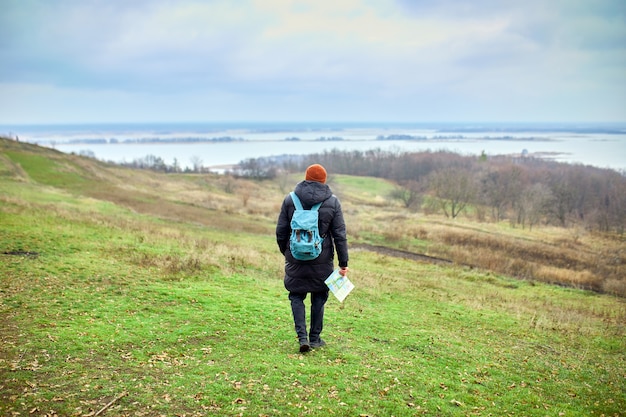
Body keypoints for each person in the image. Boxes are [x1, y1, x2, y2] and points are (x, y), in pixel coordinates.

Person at [276, 164, 349, 353]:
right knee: (319, 296)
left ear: (306, 178)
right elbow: (340, 235)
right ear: (324, 181)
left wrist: (287, 253)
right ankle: (315, 339)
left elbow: (281, 232)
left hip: (295, 258)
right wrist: (343, 263)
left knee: (296, 296)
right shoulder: (332, 202)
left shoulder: (290, 199)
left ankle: (302, 338)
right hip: (322, 261)